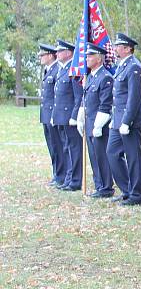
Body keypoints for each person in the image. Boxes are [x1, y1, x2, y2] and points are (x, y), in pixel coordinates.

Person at [107, 33, 141, 205]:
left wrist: (127, 121)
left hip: (129, 121)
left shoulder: (134, 66)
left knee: (133, 157)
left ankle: (136, 194)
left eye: (119, 46)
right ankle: (127, 189)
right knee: (112, 152)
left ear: (128, 48)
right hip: (118, 120)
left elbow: (134, 97)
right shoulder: (122, 66)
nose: (115, 49)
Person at [81, 43, 115, 198]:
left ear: (99, 58)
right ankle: (99, 184)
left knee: (101, 156)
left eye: (90, 56)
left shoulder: (105, 77)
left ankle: (106, 187)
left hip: (99, 124)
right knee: (94, 156)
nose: (86, 58)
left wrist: (98, 125)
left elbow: (105, 103)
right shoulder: (91, 77)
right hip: (90, 122)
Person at [52, 40, 83, 191]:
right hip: (61, 116)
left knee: (74, 148)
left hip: (70, 117)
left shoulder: (73, 69)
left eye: (60, 51)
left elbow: (78, 96)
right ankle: (69, 178)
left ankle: (76, 180)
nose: (56, 54)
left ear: (69, 53)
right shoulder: (62, 69)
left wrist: (75, 116)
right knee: (66, 148)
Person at [38, 43, 64, 187]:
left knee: (57, 146)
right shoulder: (49, 70)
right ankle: (57, 173)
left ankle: (61, 175)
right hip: (46, 114)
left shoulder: (57, 70)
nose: (40, 58)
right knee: (52, 146)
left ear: (50, 55)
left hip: (53, 114)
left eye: (42, 55)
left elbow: (57, 96)